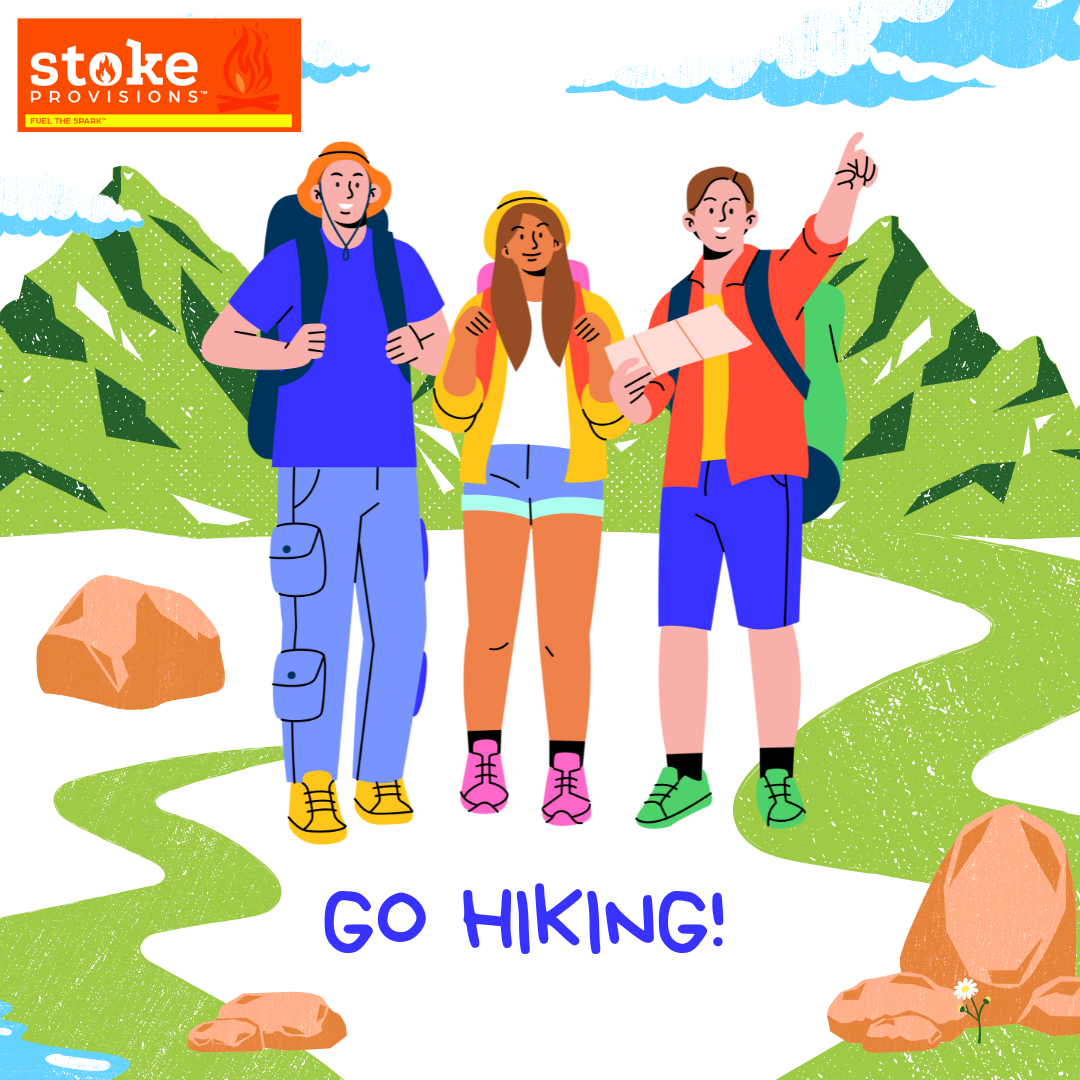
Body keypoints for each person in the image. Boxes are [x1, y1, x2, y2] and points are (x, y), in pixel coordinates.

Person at [609, 134, 878, 830]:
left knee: (769, 629)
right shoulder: (670, 304)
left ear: (751, 221)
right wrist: (623, 389)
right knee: (680, 631)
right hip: (687, 487)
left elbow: (821, 243)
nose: (722, 214)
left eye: (735, 205)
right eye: (709, 206)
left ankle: (777, 775)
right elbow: (649, 403)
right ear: (689, 222)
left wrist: (845, 182)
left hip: (763, 479)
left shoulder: (774, 279)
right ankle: (684, 773)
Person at [202, 141, 447, 842]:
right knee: (314, 634)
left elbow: (440, 342)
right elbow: (221, 341)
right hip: (310, 471)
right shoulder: (293, 263)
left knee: (401, 630)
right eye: (334, 180)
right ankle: (311, 782)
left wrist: (419, 349)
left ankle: (380, 775)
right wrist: (281, 354)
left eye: (359, 181)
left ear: (375, 194)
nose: (347, 189)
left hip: (391, 471)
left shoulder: (403, 262)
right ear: (315, 194)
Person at [433, 191, 627, 825]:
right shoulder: (479, 312)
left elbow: (611, 417)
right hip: (491, 476)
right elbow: (451, 411)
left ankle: (566, 768)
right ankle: (482, 758)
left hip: (572, 479)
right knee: (491, 630)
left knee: (564, 635)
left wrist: (601, 353)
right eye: (518, 231)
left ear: (560, 240)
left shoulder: (593, 311)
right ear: (501, 244)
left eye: (544, 229)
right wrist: (463, 344)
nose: (532, 239)